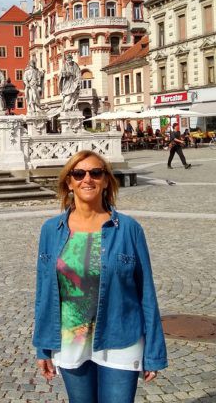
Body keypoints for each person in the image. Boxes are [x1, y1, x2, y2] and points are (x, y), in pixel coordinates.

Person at [33, 150, 167, 402]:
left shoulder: (128, 229)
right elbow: (44, 293)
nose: (87, 179)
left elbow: (146, 292)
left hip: (121, 338)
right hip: (71, 340)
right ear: (69, 183)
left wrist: (154, 351)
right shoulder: (51, 230)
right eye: (78, 173)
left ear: (106, 180)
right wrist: (42, 345)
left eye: (96, 172)